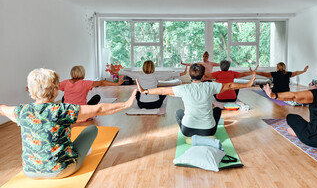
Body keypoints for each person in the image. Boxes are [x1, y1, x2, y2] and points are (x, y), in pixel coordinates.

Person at [0, 68, 136, 179]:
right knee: (91, 130)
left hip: (29, 170)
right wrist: (126, 104)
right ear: (55, 90)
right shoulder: (64, 110)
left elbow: (2, 108)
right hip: (62, 170)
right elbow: (99, 108)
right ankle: (77, 155)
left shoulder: (21, 111)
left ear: (31, 90)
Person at [136, 63, 256, 137]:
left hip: (187, 130)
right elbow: (229, 85)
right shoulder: (210, 86)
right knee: (218, 110)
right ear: (203, 76)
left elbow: (162, 91)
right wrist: (248, 84)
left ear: (190, 76)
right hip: (209, 131)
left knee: (178, 112)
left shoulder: (183, 88)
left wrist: (145, 91)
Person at [118, 60, 188, 109]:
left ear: (143, 67)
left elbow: (127, 73)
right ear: (153, 67)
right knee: (163, 92)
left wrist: (116, 71)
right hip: (155, 104)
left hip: (141, 105)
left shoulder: (139, 75)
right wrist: (183, 73)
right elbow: (170, 75)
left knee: (137, 92)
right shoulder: (155, 75)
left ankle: (144, 99)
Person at [60, 65, 124, 106]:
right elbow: (102, 82)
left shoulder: (65, 82)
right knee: (97, 97)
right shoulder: (85, 83)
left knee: (64, 98)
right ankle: (88, 108)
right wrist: (117, 83)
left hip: (67, 112)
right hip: (81, 112)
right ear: (82, 73)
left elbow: (54, 86)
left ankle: (66, 107)